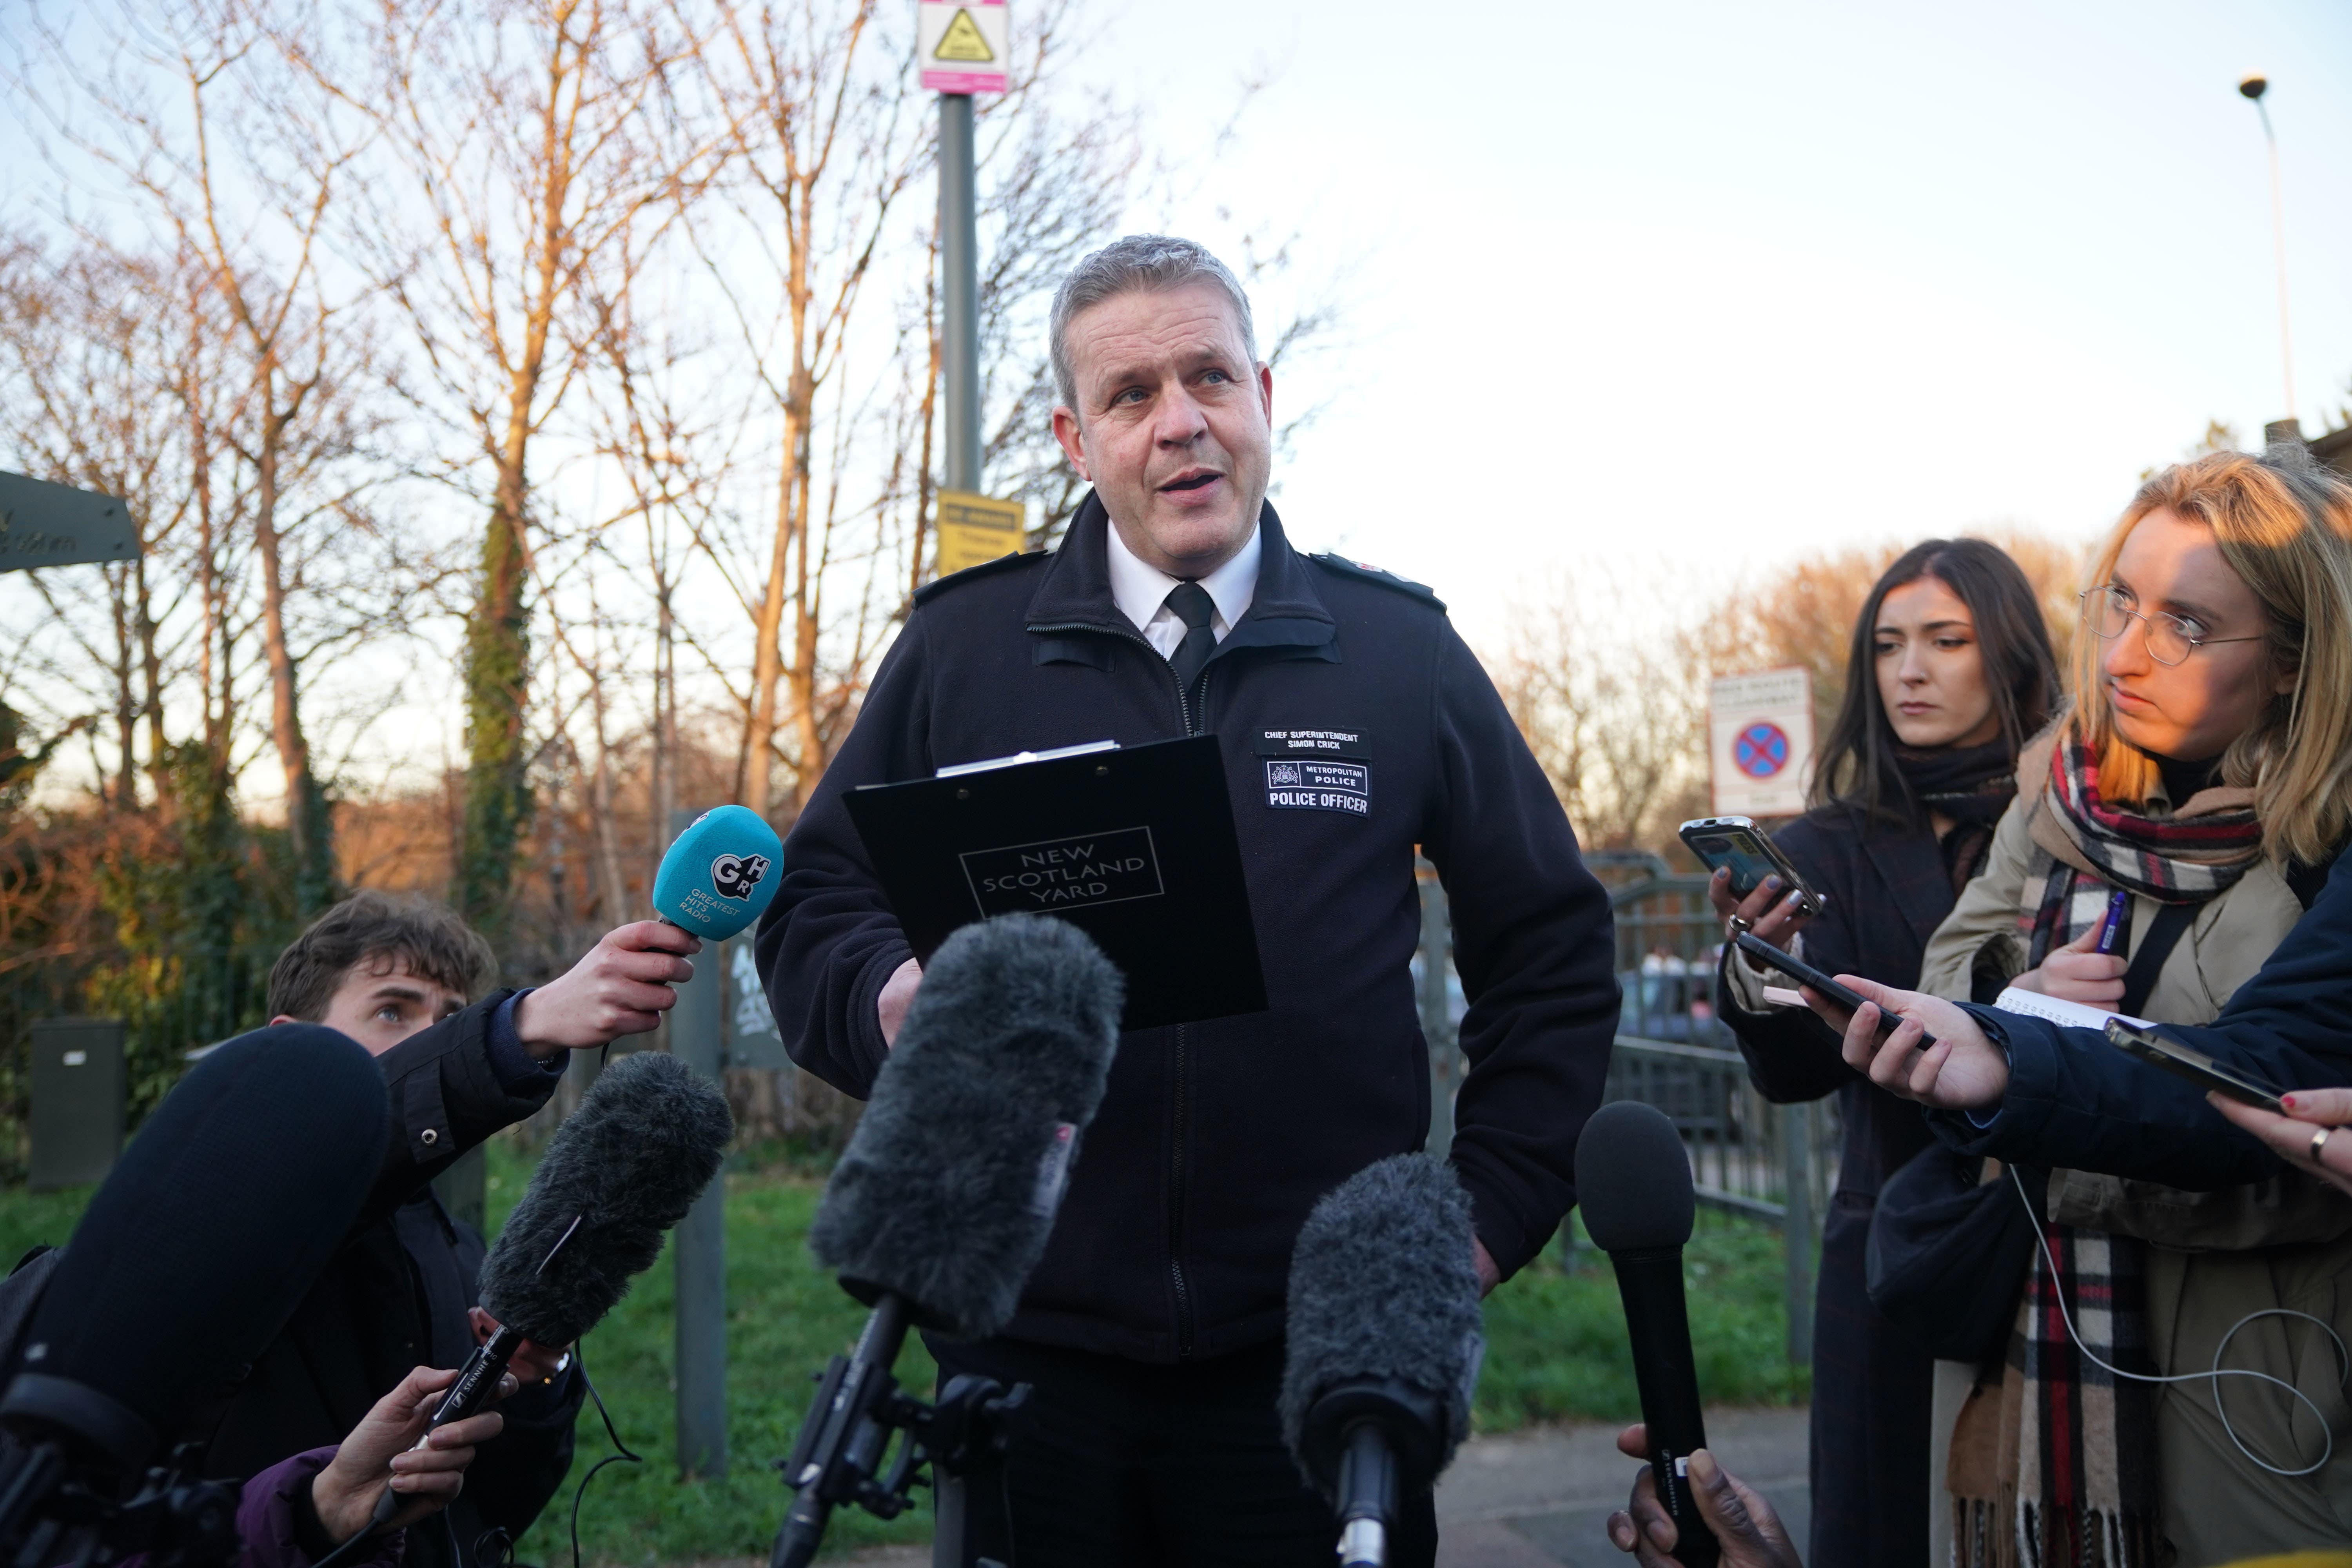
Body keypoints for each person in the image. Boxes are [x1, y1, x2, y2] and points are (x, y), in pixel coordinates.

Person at [755, 234, 1621, 1567]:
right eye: (1131, 394)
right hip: (1021, 1357)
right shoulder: (961, 650)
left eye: (1210, 377)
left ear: (1263, 393)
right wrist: (890, 999)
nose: (1180, 424)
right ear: (1072, 436)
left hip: (1317, 1365)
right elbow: (815, 905)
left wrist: (1484, 1218)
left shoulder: (1399, 654)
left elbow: (1553, 954)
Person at [1829, 447, 2352, 1563]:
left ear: (2298, 664)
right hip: (2026, 1355)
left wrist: (2027, 1083)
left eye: (2188, 627)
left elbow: (2277, 1109)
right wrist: (2007, 1001)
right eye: (2121, 597)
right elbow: (1950, 982)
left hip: (2268, 1386)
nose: (2121, 656)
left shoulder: (2326, 840)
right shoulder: (2059, 790)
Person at [1708, 539, 2058, 1568]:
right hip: (1896, 1257)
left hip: (2067, 1247)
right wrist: (1759, 971)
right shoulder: (1828, 845)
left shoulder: (2080, 826)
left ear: (2010, 655)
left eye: (1946, 641)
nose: (1909, 669)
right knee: (1889, 1536)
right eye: (1889, 645)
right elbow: (1794, 1073)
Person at [192, 892, 700, 1568]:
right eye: (392, 1011)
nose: (428, 1037)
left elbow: (491, 1509)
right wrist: (518, 1027)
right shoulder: (217, 1215)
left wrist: (537, 1381)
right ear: (289, 1047)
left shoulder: (461, 1252)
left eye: (452, 1019)